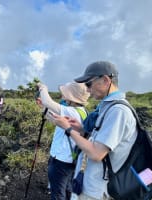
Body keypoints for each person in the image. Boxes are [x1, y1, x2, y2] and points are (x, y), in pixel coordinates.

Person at [52, 61, 137, 200]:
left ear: (105, 80)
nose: (87, 90)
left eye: (88, 84)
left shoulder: (118, 111)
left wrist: (68, 129)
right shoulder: (107, 107)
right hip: (91, 184)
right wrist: (79, 128)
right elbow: (102, 139)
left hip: (97, 190)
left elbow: (96, 153)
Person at [36, 82, 90, 200]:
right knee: (67, 189)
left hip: (60, 160)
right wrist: (44, 109)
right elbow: (56, 121)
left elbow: (48, 102)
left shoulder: (71, 111)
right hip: (70, 159)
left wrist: (43, 88)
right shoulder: (82, 111)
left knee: (57, 193)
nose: (63, 95)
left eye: (66, 93)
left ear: (72, 97)